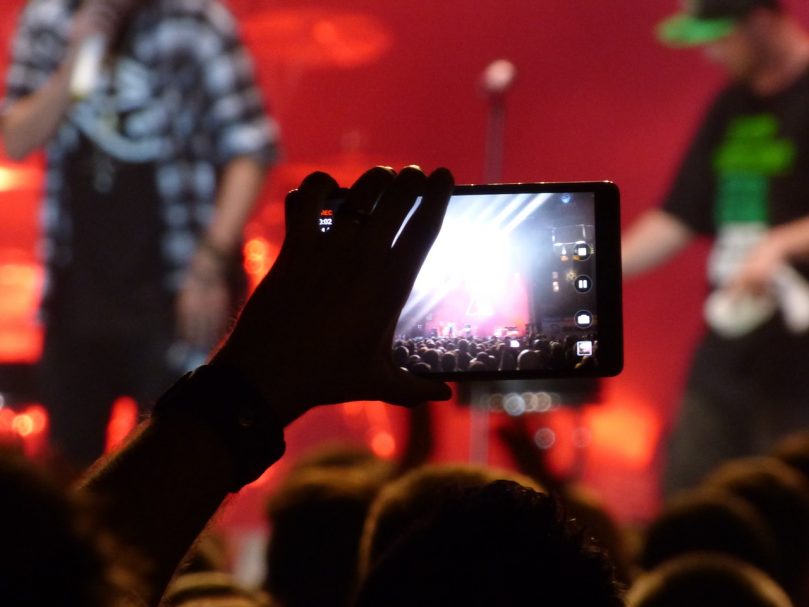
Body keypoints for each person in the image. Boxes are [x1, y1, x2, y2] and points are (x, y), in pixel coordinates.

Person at [0, 0, 278, 469]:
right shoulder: (50, 19)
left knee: (168, 461)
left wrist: (209, 265)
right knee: (69, 468)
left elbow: (250, 147)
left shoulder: (194, 21)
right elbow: (16, 139)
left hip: (172, 288)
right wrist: (76, 61)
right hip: (79, 293)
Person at [622, 0, 809, 496]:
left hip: (799, 364)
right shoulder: (730, 106)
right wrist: (597, 268)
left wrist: (781, 244)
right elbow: (679, 215)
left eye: (721, 37)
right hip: (729, 350)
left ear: (762, 21)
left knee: (788, 514)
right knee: (688, 494)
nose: (711, 52)